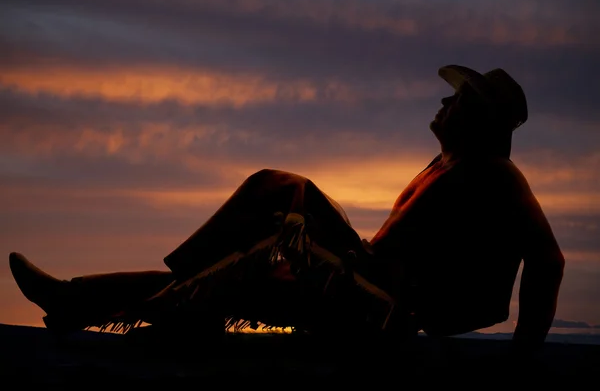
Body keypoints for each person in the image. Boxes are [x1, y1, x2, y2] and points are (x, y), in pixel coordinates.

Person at [8, 65, 565, 353]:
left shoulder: (495, 175)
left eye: (458, 98)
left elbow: (549, 262)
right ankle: (85, 295)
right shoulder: (446, 163)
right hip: (364, 274)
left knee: (250, 262)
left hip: (383, 308)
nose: (445, 101)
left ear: (477, 115)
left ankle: (90, 301)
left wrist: (522, 360)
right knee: (280, 186)